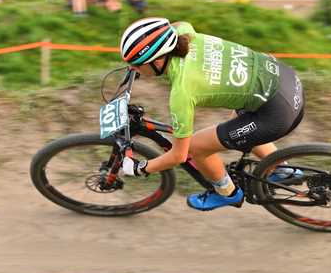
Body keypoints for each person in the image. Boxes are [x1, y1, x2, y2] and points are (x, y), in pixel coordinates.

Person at [119, 17, 305, 211]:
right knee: (240, 124)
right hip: (285, 80)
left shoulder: (182, 91)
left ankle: (227, 193)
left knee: (196, 147)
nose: (132, 68)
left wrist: (141, 168)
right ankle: (282, 169)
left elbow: (179, 156)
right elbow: (177, 24)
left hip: (277, 111)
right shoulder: (184, 34)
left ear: (158, 60)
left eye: (136, 65)